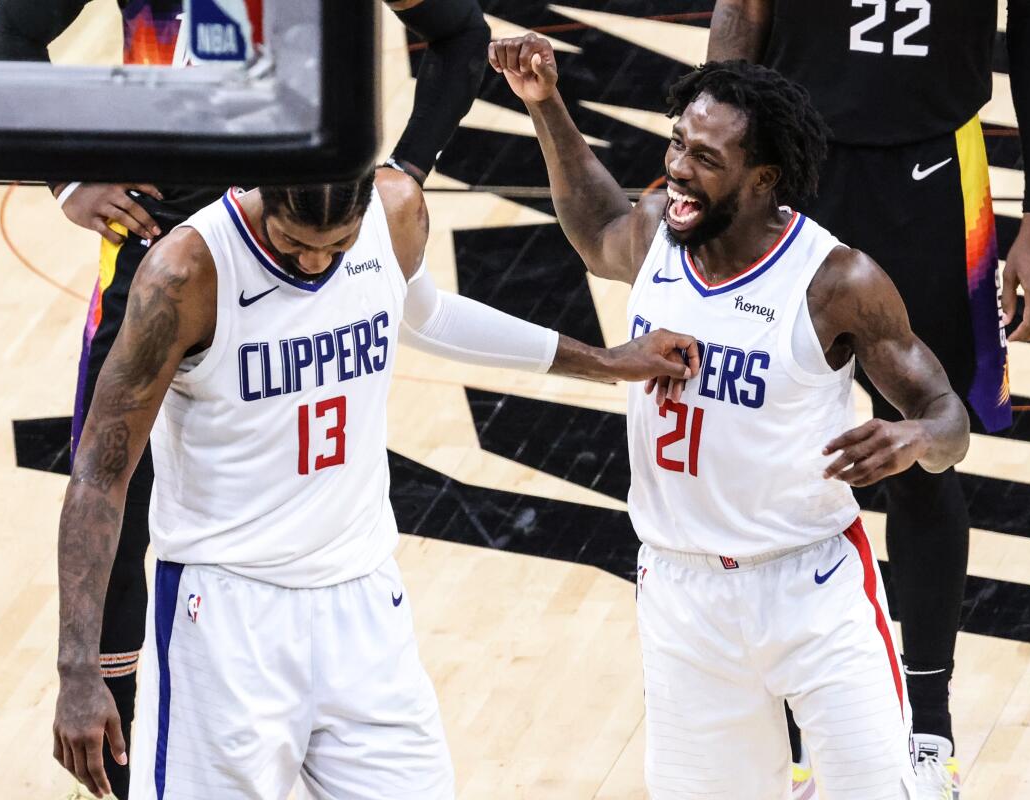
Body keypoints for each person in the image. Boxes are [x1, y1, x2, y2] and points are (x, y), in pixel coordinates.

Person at [51, 163, 699, 800]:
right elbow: (98, 475)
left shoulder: (393, 212)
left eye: (335, 246)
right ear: (259, 193)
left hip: (364, 601)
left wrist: (605, 362)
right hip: (226, 616)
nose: (313, 264)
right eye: (294, 243)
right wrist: (78, 668)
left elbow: (433, 318)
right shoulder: (187, 271)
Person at [0, 1, 489, 796]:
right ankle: (127, 749)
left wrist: (407, 168)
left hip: (310, 229)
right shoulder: (174, 275)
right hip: (162, 247)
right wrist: (70, 175)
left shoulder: (342, 229)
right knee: (115, 509)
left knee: (301, 498)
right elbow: (8, 33)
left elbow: (464, 34)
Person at [491, 35, 971, 799]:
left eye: (706, 158)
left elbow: (948, 417)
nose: (678, 167)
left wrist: (914, 439)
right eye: (678, 142)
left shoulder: (835, 281)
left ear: (762, 180)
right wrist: (546, 106)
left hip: (810, 585)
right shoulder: (657, 230)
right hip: (682, 595)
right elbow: (596, 228)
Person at [705, 1, 1030, 795]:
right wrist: (711, 157)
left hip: (933, 169)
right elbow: (743, 8)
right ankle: (797, 706)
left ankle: (928, 721)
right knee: (781, 452)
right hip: (792, 170)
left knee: (923, 456)